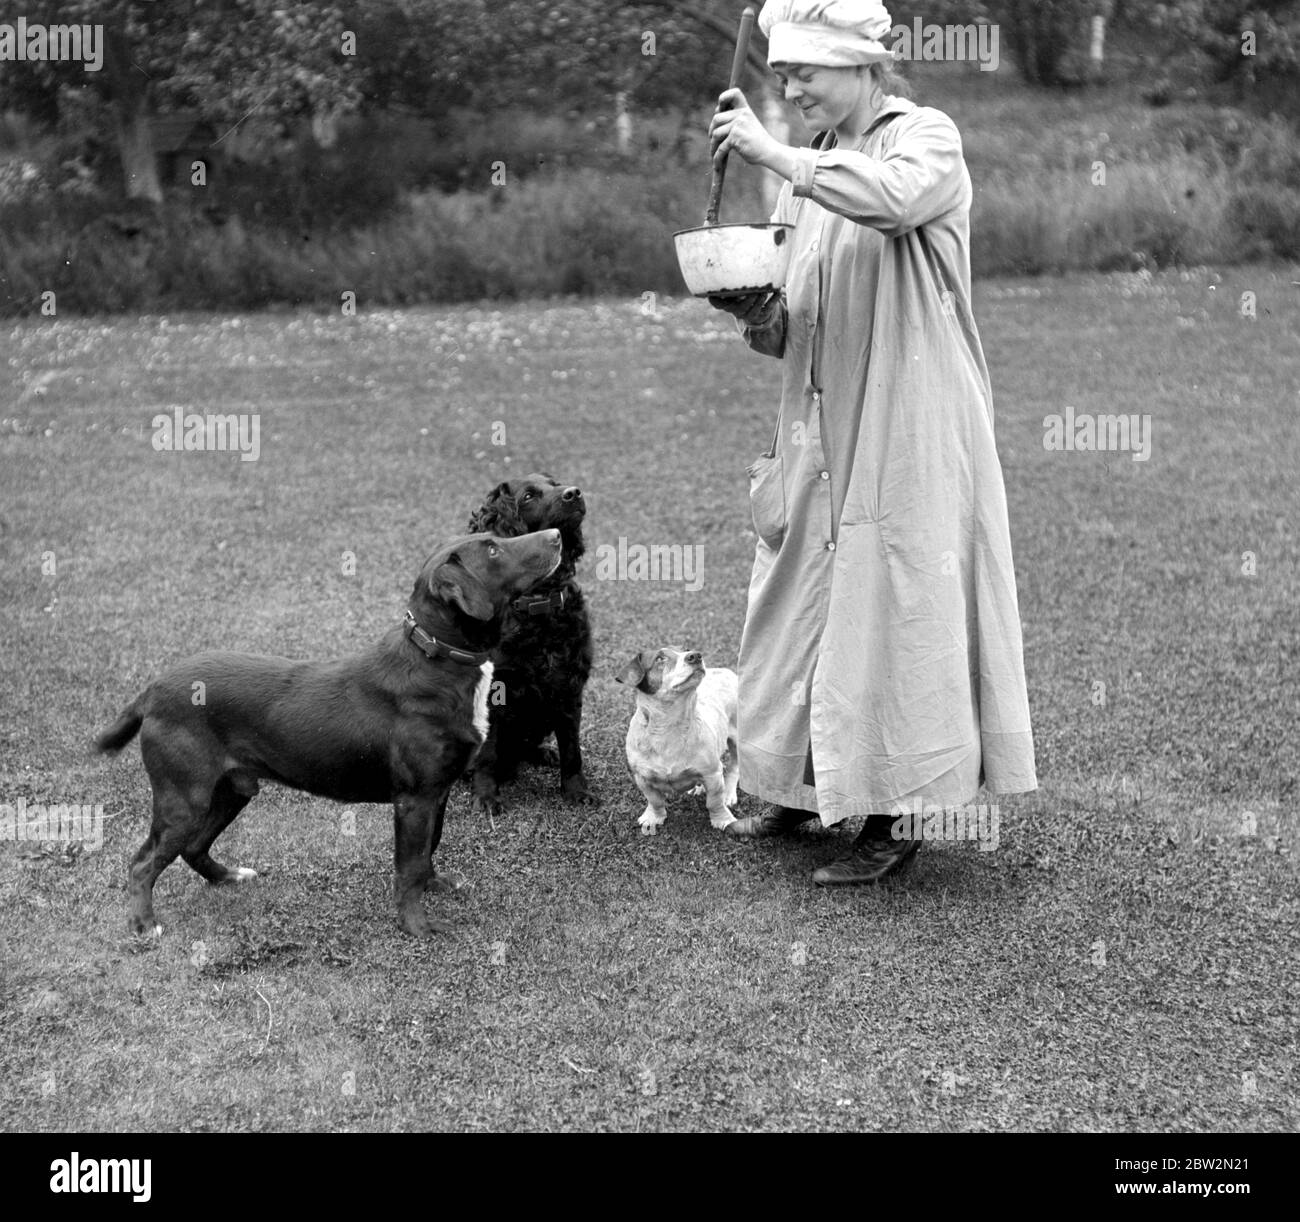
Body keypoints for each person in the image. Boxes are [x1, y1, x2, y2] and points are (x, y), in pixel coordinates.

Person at [709, 0, 1037, 884]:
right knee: (795, 595)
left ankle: (896, 814)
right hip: (820, 417)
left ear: (857, 66)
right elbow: (794, 316)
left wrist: (774, 154)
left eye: (803, 73)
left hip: (909, 415)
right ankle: (789, 783)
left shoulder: (924, 139)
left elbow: (891, 205)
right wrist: (753, 307)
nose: (790, 89)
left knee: (896, 601)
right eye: (780, 76)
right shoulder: (804, 167)